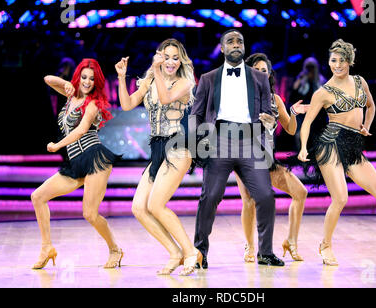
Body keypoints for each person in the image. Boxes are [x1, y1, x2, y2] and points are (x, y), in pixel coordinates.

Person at [298, 39, 376, 266]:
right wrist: (304, 147)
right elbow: (306, 123)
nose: (337, 64)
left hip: (353, 145)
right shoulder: (323, 92)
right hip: (331, 144)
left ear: (349, 62)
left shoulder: (359, 81)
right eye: (333, 60)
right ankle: (325, 245)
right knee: (341, 198)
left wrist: (366, 126)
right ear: (329, 61)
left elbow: (371, 106)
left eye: (342, 60)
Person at [190, 29, 285, 268]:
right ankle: (200, 251)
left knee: (265, 196)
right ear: (222, 48)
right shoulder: (208, 78)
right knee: (210, 197)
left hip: (250, 141)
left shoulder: (260, 78)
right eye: (230, 41)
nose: (236, 44)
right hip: (219, 140)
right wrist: (196, 147)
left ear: (244, 47)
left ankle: (265, 252)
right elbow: (196, 115)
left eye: (239, 41)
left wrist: (270, 124)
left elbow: (267, 115)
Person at [115, 38, 201, 276]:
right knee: (139, 208)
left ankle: (190, 251)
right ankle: (175, 252)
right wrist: (122, 77)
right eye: (166, 56)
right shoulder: (151, 79)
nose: (171, 62)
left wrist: (155, 70)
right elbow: (127, 104)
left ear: (181, 60)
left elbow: (165, 99)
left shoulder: (185, 82)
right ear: (158, 56)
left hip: (178, 145)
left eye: (175, 57)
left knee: (156, 204)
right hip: (157, 148)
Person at [31, 58, 123, 269]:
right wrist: (66, 84)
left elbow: (81, 130)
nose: (87, 82)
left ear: (96, 81)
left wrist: (57, 145)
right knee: (38, 196)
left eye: (91, 79)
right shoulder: (71, 95)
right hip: (76, 163)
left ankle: (115, 249)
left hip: (94, 158)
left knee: (89, 213)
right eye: (84, 77)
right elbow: (47, 79)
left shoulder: (92, 104)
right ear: (78, 77)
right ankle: (47, 248)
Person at [236, 53, 309, 263]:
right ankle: (250, 246)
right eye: (255, 70)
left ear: (269, 74)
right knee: (249, 200)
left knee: (300, 192)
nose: (260, 73)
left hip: (268, 159)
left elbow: (290, 128)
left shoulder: (275, 99)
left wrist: (294, 112)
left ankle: (291, 242)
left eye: (263, 70)